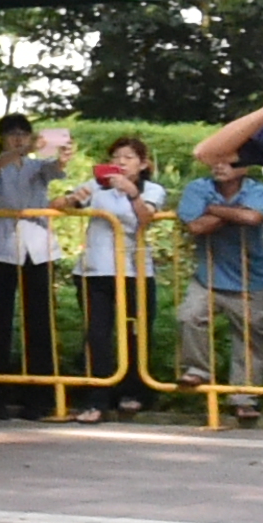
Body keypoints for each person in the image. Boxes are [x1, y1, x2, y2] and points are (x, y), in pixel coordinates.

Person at [175, 137, 263, 421]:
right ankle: (197, 371)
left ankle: (244, 397)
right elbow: (196, 225)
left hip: (250, 277)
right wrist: (236, 213)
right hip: (207, 274)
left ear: (245, 166)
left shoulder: (258, 189)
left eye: (228, 160)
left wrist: (214, 210)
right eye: (215, 160)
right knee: (189, 316)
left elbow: (254, 218)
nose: (220, 166)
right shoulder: (198, 188)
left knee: (250, 337)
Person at [0, 112, 63, 418]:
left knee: (40, 325)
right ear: (0, 137)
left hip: (38, 249)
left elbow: (56, 169)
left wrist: (62, 152)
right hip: (0, 249)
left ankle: (39, 397)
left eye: (23, 133)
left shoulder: (39, 167)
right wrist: (22, 150)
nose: (18, 137)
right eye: (11, 133)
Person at [62, 135, 155, 415]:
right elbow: (61, 206)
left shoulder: (151, 189)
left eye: (128, 158)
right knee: (97, 335)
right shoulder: (95, 187)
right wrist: (70, 199)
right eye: (116, 157)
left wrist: (132, 193)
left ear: (143, 164)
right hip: (94, 271)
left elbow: (146, 218)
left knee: (135, 334)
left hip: (134, 271)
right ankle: (96, 399)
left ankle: (132, 393)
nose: (121, 163)